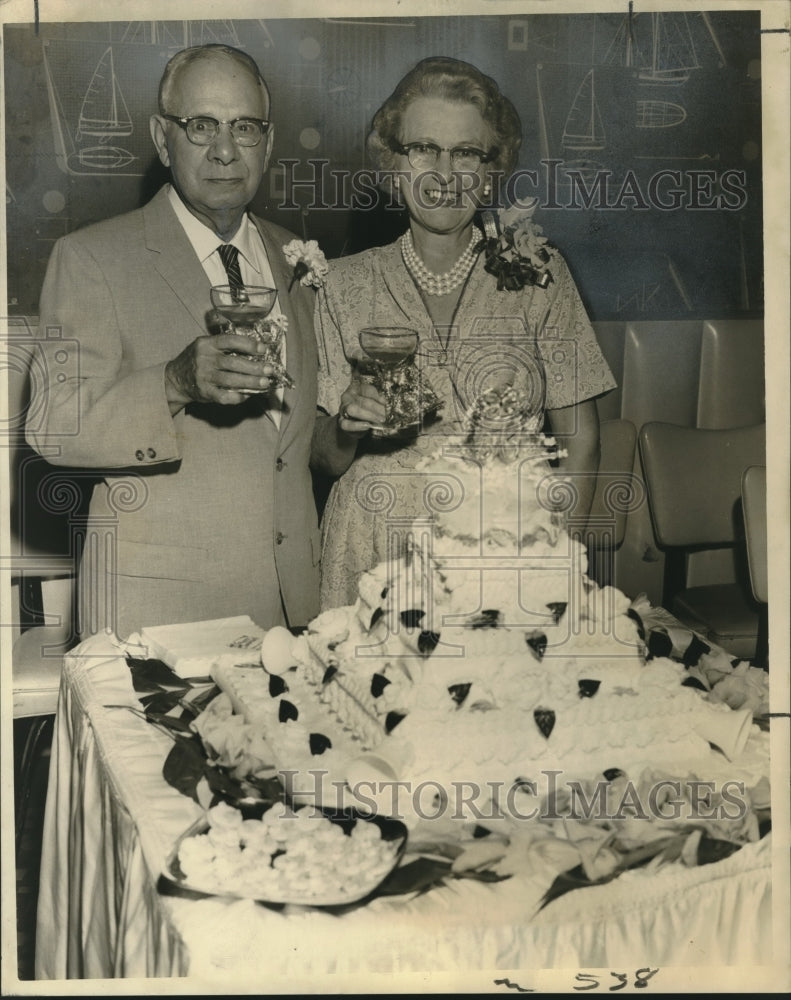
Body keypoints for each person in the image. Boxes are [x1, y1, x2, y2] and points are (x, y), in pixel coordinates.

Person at [26, 44, 321, 639]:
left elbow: (295, 445)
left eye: (244, 127)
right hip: (160, 619)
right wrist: (173, 383)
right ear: (163, 140)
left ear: (268, 140)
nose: (224, 149)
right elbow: (52, 426)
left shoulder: (299, 260)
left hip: (293, 613)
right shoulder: (90, 258)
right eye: (201, 126)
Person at [311, 57, 616, 610]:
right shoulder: (339, 284)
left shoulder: (540, 274)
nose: (444, 175)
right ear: (394, 161)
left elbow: (582, 440)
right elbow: (325, 460)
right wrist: (346, 424)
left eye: (466, 153)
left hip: (505, 547)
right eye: (423, 148)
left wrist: (560, 568)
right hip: (374, 544)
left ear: (490, 167)